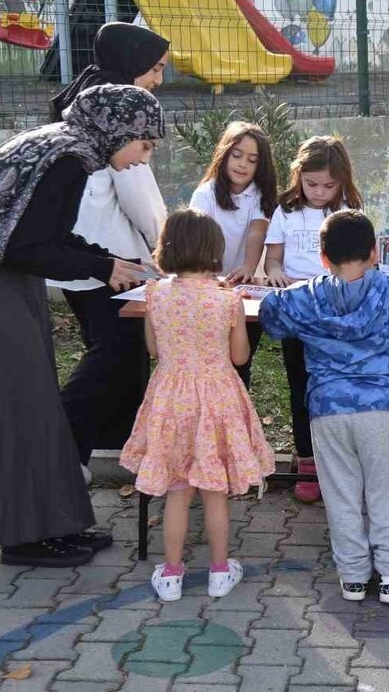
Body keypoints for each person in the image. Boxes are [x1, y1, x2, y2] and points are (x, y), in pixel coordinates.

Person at [0, 85, 164, 567]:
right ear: (117, 129)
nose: (141, 159)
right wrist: (102, 268)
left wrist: (105, 259)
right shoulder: (68, 159)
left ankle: (50, 526)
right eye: (144, 144)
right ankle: (25, 536)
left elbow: (42, 235)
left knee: (30, 402)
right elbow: (26, 247)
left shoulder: (60, 144)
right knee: (16, 404)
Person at [256, 210, 389, 604]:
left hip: (328, 408)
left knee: (341, 493)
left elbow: (270, 317)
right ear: (374, 252)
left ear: (322, 257)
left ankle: (353, 575)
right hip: (382, 406)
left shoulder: (305, 297)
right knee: (385, 492)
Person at [120, 209, 277, 602]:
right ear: (213, 249)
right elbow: (240, 357)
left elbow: (154, 349)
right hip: (217, 398)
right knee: (214, 491)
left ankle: (171, 574)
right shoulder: (227, 301)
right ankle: (220, 572)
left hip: (170, 399)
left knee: (177, 489)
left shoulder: (155, 295)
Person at [49, 22, 172, 470]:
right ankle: (63, 446)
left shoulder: (84, 100)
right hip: (111, 261)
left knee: (112, 349)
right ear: (132, 64)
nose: (159, 80)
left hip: (77, 257)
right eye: (155, 69)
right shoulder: (120, 112)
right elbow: (139, 196)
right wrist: (169, 249)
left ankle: (111, 438)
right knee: (116, 353)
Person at [261, 136, 363, 503]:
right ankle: (306, 460)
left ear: (343, 180)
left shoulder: (350, 208)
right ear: (298, 175)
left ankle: (338, 464)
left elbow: (361, 264)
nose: (319, 192)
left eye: (328, 185)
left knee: (336, 387)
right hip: (298, 311)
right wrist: (274, 272)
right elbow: (273, 259)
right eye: (311, 184)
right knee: (300, 385)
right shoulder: (286, 209)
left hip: (336, 313)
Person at [189, 122, 278, 389]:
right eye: (237, 155)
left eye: (252, 160)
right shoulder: (206, 193)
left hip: (244, 289)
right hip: (207, 287)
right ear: (224, 154)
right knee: (209, 358)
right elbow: (197, 237)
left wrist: (248, 268)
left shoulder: (260, 195)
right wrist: (209, 280)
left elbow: (256, 233)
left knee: (239, 362)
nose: (242, 165)